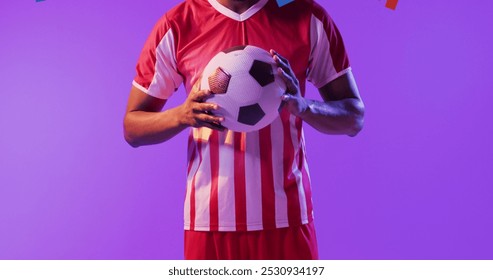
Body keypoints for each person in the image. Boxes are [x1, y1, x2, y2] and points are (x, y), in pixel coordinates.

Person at [123, 0, 364, 260]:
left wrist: (304, 107)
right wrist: (181, 116)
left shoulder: (307, 17)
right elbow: (132, 127)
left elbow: (353, 117)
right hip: (209, 223)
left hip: (287, 219)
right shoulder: (178, 25)